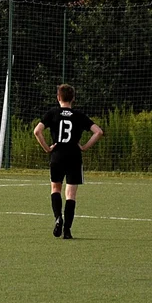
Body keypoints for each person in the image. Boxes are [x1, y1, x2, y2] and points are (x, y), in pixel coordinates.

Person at [33, 84, 104, 240]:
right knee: (71, 194)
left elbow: (37, 131)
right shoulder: (79, 115)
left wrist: (47, 148)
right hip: (74, 156)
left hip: (57, 155)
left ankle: (58, 217)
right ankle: (67, 230)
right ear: (73, 99)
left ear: (58, 97)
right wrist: (84, 147)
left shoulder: (52, 113)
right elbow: (98, 132)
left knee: (55, 188)